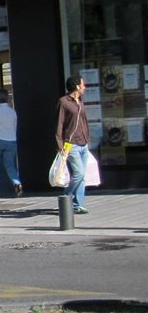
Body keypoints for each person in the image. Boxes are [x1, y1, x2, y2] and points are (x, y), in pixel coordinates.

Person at [55, 74, 91, 214]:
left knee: (82, 176)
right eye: (83, 84)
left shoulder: (80, 101)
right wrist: (60, 145)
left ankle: (78, 205)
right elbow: (59, 124)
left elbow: (83, 121)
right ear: (77, 86)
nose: (84, 87)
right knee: (79, 173)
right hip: (71, 144)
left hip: (83, 142)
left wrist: (87, 138)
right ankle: (66, 197)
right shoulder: (64, 102)